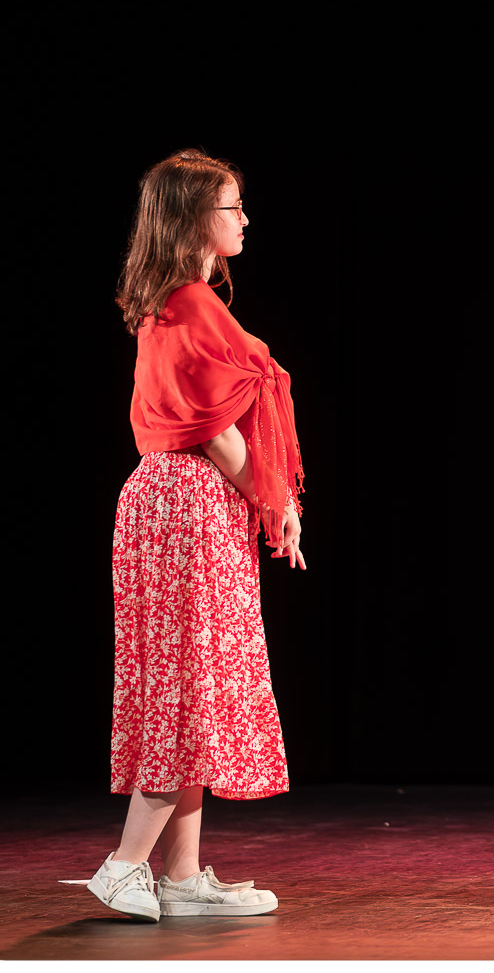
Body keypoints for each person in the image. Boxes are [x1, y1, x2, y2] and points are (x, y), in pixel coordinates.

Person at [87, 149, 306, 922]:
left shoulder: (176, 302)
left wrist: (267, 498)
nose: (243, 219)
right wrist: (275, 500)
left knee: (193, 680)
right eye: (232, 206)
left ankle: (180, 876)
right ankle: (123, 864)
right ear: (191, 219)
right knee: (186, 684)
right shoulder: (188, 302)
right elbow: (216, 431)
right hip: (184, 504)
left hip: (172, 506)